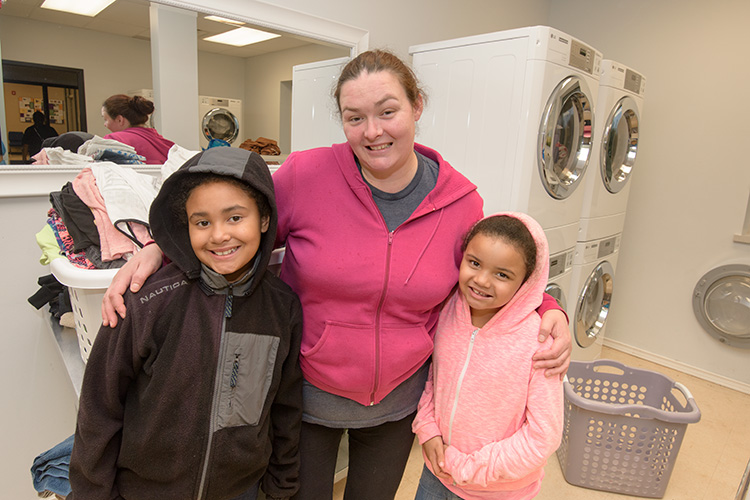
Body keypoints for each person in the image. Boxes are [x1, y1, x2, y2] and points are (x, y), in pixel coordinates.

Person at [99, 50, 572, 500]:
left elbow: (488, 275)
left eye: (388, 112)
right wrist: (161, 248)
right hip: (306, 397)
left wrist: (549, 308)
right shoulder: (307, 174)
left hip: (399, 403)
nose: (373, 132)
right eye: (354, 117)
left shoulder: (461, 201)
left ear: (417, 106)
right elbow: (232, 227)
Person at [69, 147, 303, 500]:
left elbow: (285, 407)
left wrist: (281, 486)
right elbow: (99, 409)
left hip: (240, 489)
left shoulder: (281, 308)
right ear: (186, 225)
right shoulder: (147, 302)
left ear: (265, 219)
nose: (219, 235)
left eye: (235, 217)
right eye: (202, 222)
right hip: (145, 490)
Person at [412, 213, 563, 500]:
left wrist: (468, 468)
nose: (481, 280)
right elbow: (434, 379)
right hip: (437, 476)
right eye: (475, 263)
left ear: (527, 282)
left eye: (502, 274)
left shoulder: (541, 342)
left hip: (499, 491)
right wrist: (428, 428)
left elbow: (543, 437)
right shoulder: (447, 312)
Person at [101, 93, 175, 164]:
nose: (105, 125)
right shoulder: (165, 144)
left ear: (120, 120)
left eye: (106, 120)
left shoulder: (113, 140)